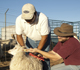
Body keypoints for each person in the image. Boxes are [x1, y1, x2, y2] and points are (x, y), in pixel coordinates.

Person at [15, 3, 51, 70]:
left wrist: (38, 51)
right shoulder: (19, 19)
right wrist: (24, 48)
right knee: (30, 61)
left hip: (43, 40)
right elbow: (18, 35)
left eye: (30, 19)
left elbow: (44, 37)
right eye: (26, 19)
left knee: (43, 59)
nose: (28, 22)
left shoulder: (43, 18)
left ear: (35, 13)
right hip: (30, 39)